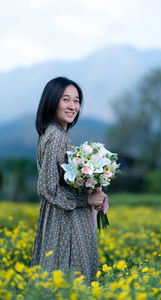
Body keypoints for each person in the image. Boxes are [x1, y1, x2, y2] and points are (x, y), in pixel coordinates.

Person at [31, 77, 106, 285]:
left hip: (58, 217)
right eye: (66, 100)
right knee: (71, 280)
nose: (73, 106)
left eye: (77, 100)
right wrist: (86, 201)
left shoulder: (51, 133)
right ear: (52, 101)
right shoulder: (57, 137)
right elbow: (47, 188)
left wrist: (91, 185)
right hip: (66, 221)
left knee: (57, 278)